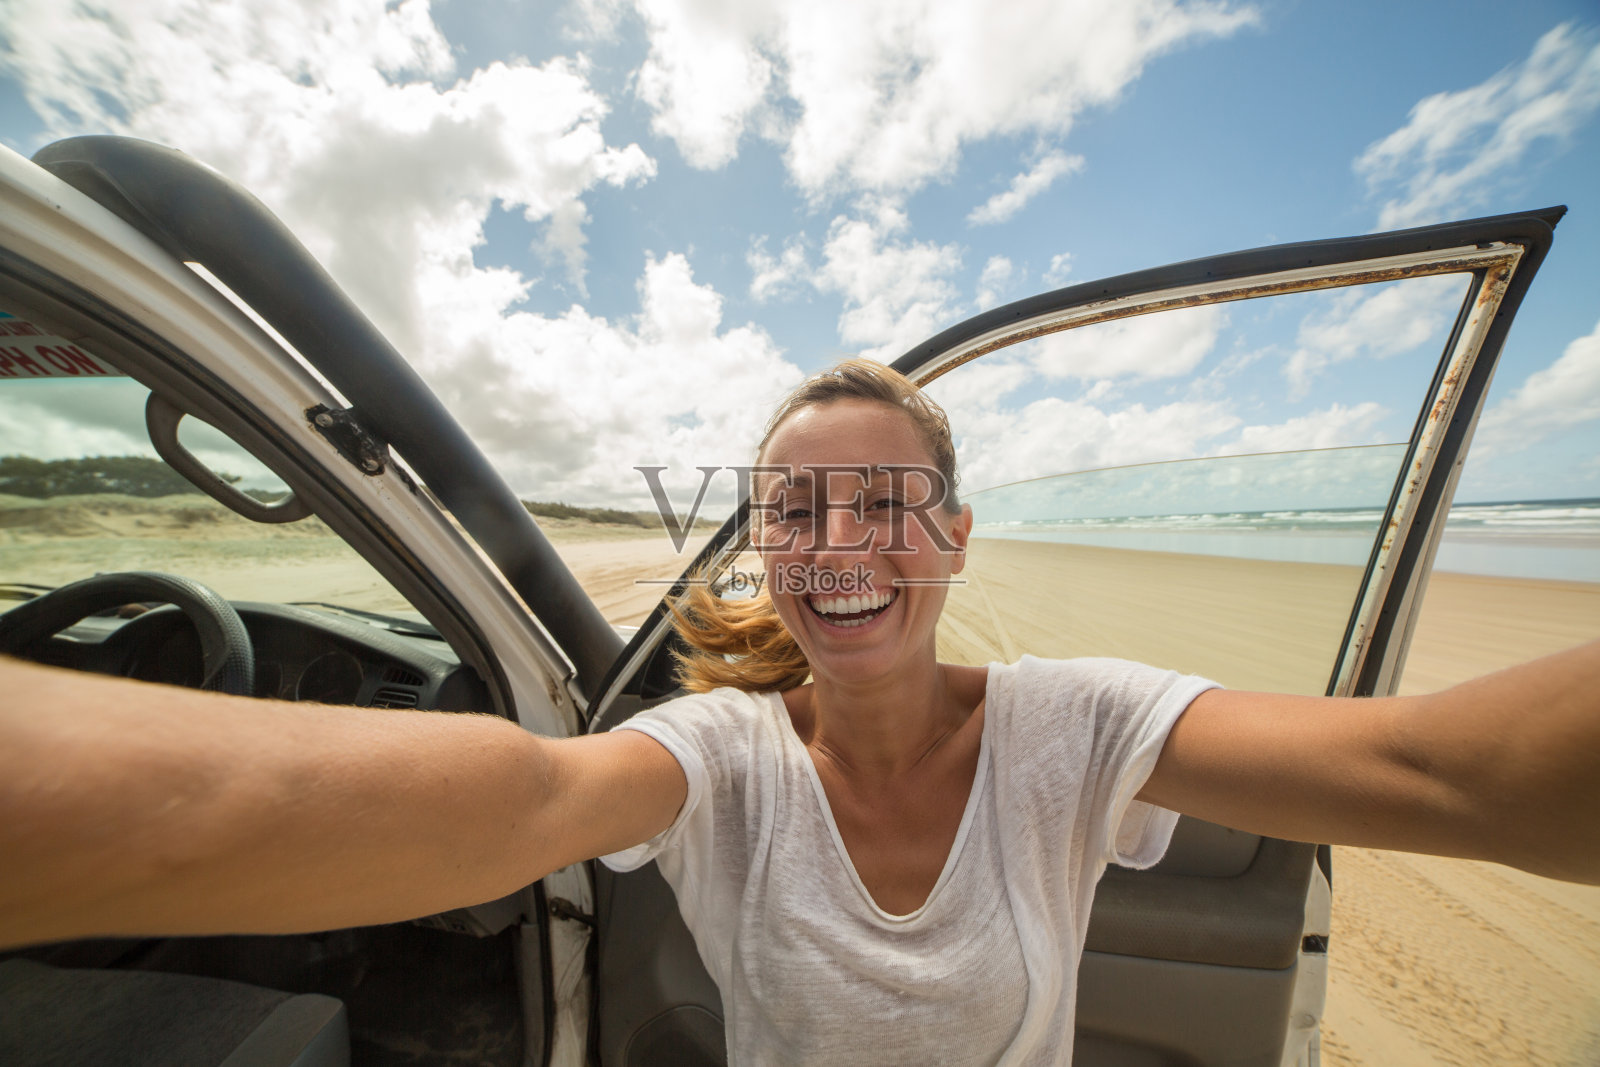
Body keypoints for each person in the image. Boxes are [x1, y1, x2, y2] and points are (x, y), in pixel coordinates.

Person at [1, 359, 1596, 1062]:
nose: (840, 543)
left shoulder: (1078, 727)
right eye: (796, 509)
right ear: (765, 549)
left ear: (958, 535)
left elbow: (1432, 769)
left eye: (887, 501)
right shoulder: (723, 756)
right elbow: (525, 804)